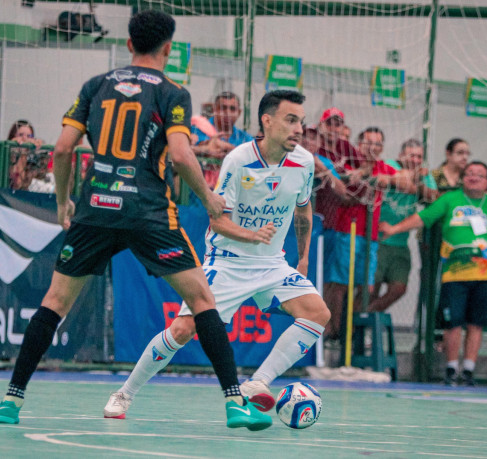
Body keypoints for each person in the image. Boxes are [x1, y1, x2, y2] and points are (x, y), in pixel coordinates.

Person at [0, 10, 271, 431]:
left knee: (54, 303)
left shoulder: (95, 86)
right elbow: (181, 155)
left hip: (95, 210)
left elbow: (63, 149)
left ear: (128, 44)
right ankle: (234, 403)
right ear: (168, 48)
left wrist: (64, 203)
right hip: (148, 212)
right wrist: (209, 198)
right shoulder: (172, 92)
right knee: (202, 301)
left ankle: (11, 400)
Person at [103, 89, 330, 418]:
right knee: (182, 330)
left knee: (317, 313)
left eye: (301, 122)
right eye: (291, 120)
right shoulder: (238, 160)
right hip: (228, 263)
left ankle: (257, 383)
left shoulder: (305, 162)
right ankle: (124, 394)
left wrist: (304, 258)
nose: (299, 129)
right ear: (267, 121)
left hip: (272, 264)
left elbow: (303, 211)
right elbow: (217, 221)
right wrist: (252, 235)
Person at [380, 161, 487, 386]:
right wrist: (394, 229)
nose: (474, 177)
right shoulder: (450, 199)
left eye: (479, 175)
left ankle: (469, 371)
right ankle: (451, 369)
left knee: (476, 323)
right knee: (452, 323)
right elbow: (423, 218)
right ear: (463, 179)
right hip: (454, 275)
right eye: (469, 174)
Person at [323, 127, 396, 340]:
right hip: (347, 231)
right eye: (368, 142)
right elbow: (345, 184)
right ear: (358, 144)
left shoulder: (383, 167)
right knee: (339, 284)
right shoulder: (347, 164)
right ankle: (333, 331)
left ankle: (350, 329)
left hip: (370, 236)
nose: (372, 147)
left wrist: (390, 179)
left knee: (367, 286)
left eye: (377, 144)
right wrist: (364, 173)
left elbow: (405, 179)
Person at [370, 138, 435, 312]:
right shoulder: (388, 165)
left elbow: (433, 196)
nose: (415, 160)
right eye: (411, 155)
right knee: (370, 289)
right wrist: (415, 179)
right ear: (400, 155)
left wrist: (418, 182)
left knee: (399, 288)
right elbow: (401, 182)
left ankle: (367, 317)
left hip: (401, 242)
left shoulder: (424, 175)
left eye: (419, 157)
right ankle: (355, 325)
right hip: (378, 239)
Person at [191, 91, 254, 188]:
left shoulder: (244, 138)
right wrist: (206, 148)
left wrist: (228, 148)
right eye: (223, 108)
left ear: (239, 112)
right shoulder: (198, 130)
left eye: (232, 109)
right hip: (197, 193)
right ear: (214, 109)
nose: (227, 113)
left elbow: (257, 154)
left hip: (231, 192)